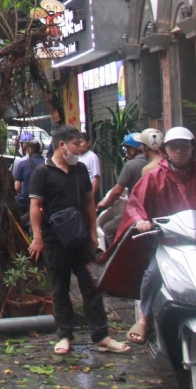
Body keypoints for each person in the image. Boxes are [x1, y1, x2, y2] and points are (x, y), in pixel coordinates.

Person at [116, 126, 196, 345]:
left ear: (192, 148)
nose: (179, 151)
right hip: (170, 244)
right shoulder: (154, 177)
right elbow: (135, 204)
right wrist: (141, 220)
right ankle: (144, 317)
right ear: (166, 149)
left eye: (184, 146)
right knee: (152, 273)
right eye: (174, 147)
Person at [28, 125, 131, 355]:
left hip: (81, 238)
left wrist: (94, 233)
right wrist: (38, 238)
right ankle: (64, 335)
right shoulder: (42, 172)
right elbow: (35, 207)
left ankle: (101, 335)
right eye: (76, 144)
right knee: (59, 288)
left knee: (90, 286)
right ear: (62, 145)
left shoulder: (81, 169)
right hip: (55, 240)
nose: (81, 148)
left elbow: (88, 203)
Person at [95, 134, 147, 241]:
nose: (126, 152)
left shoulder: (131, 165)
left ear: (133, 149)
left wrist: (105, 203)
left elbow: (117, 190)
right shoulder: (154, 162)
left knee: (108, 229)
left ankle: (116, 256)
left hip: (136, 210)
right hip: (152, 210)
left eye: (127, 149)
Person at [12, 140, 45, 219]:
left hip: (25, 201)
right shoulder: (48, 163)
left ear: (30, 149)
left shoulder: (22, 163)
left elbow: (17, 187)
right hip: (45, 201)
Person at [69, 132, 102, 200]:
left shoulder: (92, 157)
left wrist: (91, 197)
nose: (79, 145)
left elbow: (95, 178)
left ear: (88, 143)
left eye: (81, 142)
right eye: (77, 143)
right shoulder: (76, 157)